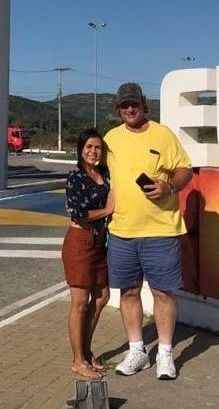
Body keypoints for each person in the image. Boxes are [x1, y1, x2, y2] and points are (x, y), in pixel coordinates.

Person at [104, 82, 193, 380]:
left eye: (135, 104)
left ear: (143, 105)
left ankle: (166, 354)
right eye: (124, 105)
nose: (130, 109)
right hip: (121, 231)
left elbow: (184, 170)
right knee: (128, 292)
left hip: (161, 229)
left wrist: (169, 186)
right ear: (118, 109)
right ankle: (137, 351)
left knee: (162, 293)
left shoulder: (162, 134)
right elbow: (93, 169)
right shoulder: (111, 139)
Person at [62, 128, 114, 379]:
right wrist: (107, 209)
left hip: (100, 242)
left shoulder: (104, 173)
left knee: (102, 296)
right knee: (80, 302)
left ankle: (86, 350)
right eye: (89, 147)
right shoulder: (76, 177)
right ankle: (78, 360)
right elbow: (79, 213)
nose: (93, 152)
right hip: (80, 242)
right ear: (81, 151)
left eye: (97, 147)